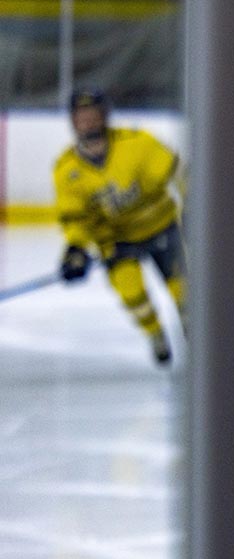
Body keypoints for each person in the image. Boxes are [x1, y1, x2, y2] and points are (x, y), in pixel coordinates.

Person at [52, 88, 187, 364]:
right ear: (73, 121)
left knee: (184, 293)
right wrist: (76, 249)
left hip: (160, 227)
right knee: (132, 294)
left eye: (93, 114)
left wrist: (194, 199)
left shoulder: (137, 144)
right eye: (81, 116)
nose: (88, 121)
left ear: (105, 115)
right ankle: (155, 334)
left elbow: (179, 174)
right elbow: (75, 218)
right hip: (116, 241)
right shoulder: (67, 170)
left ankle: (195, 336)